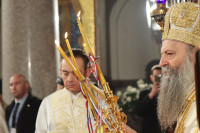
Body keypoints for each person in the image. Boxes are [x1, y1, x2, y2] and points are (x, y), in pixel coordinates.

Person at [157, 2, 200, 132]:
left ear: (195, 55)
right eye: (162, 54)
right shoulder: (187, 95)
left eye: (169, 54)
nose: (161, 63)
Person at [136, 65, 162, 133]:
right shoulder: (144, 93)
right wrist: (150, 95)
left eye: (161, 76)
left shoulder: (170, 93)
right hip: (149, 129)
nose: (159, 79)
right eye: (156, 76)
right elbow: (139, 112)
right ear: (151, 78)